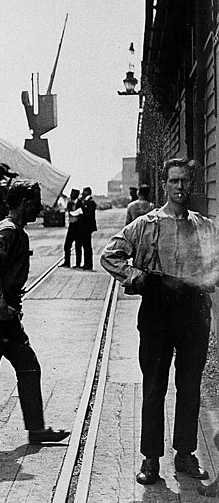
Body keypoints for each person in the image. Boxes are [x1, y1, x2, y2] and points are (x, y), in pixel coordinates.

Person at [101, 158, 216, 485]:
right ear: (164, 185)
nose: (180, 187)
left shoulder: (205, 227)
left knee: (190, 384)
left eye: (184, 181)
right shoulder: (145, 225)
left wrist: (208, 279)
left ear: (191, 184)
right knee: (154, 386)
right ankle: (151, 459)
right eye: (174, 181)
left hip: (194, 310)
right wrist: (137, 277)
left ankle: (185, 454)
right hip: (157, 311)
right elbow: (110, 255)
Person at [0, 179, 70, 448]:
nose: (39, 209)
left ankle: (36, 428)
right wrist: (1, 306)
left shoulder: (12, 229)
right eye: (36, 203)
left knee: (26, 365)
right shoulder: (8, 231)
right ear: (25, 202)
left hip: (3, 312)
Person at [77, 186, 97, 270]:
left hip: (87, 227)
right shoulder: (85, 201)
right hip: (85, 227)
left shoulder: (90, 202)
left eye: (84, 191)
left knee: (87, 246)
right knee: (85, 245)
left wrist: (81, 215)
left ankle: (88, 264)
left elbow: (89, 214)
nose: (82, 193)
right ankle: (86, 263)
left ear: (87, 192)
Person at [62, 188, 83, 268]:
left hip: (78, 227)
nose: (71, 195)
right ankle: (67, 262)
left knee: (78, 246)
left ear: (76, 195)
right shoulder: (70, 203)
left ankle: (78, 264)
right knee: (67, 246)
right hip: (71, 226)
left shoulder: (81, 203)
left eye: (72, 194)